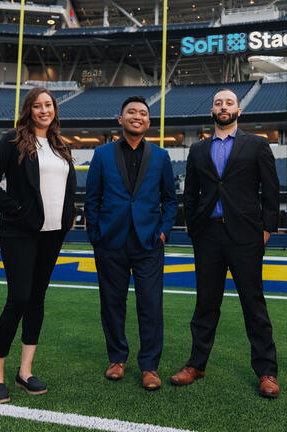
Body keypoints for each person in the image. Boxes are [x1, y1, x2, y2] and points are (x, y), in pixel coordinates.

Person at [171, 88, 281, 398]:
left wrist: (266, 229)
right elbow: (190, 194)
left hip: (246, 235)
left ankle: (266, 371)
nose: (223, 106)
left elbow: (270, 191)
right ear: (212, 110)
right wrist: (195, 228)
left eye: (229, 102)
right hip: (208, 235)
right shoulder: (198, 150)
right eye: (218, 102)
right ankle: (196, 364)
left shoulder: (257, 145)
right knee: (205, 303)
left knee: (253, 304)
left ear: (238, 110)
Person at [0, 87, 77, 403]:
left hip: (52, 234)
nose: (44, 110)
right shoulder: (12, 140)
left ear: (55, 109)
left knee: (37, 299)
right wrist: (18, 210)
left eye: (49, 105)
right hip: (20, 232)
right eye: (38, 105)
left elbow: (65, 188)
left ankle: (25, 371)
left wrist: (67, 217)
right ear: (29, 110)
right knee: (18, 298)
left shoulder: (61, 145)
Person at [84, 96, 177, 391]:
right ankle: (117, 359)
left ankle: (149, 366)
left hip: (149, 242)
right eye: (131, 112)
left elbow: (171, 201)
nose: (137, 116)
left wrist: (162, 232)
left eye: (143, 113)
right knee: (112, 304)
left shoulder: (161, 156)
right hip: (110, 242)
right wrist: (96, 235)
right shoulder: (101, 154)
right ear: (121, 119)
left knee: (150, 306)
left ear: (148, 122)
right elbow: (92, 199)